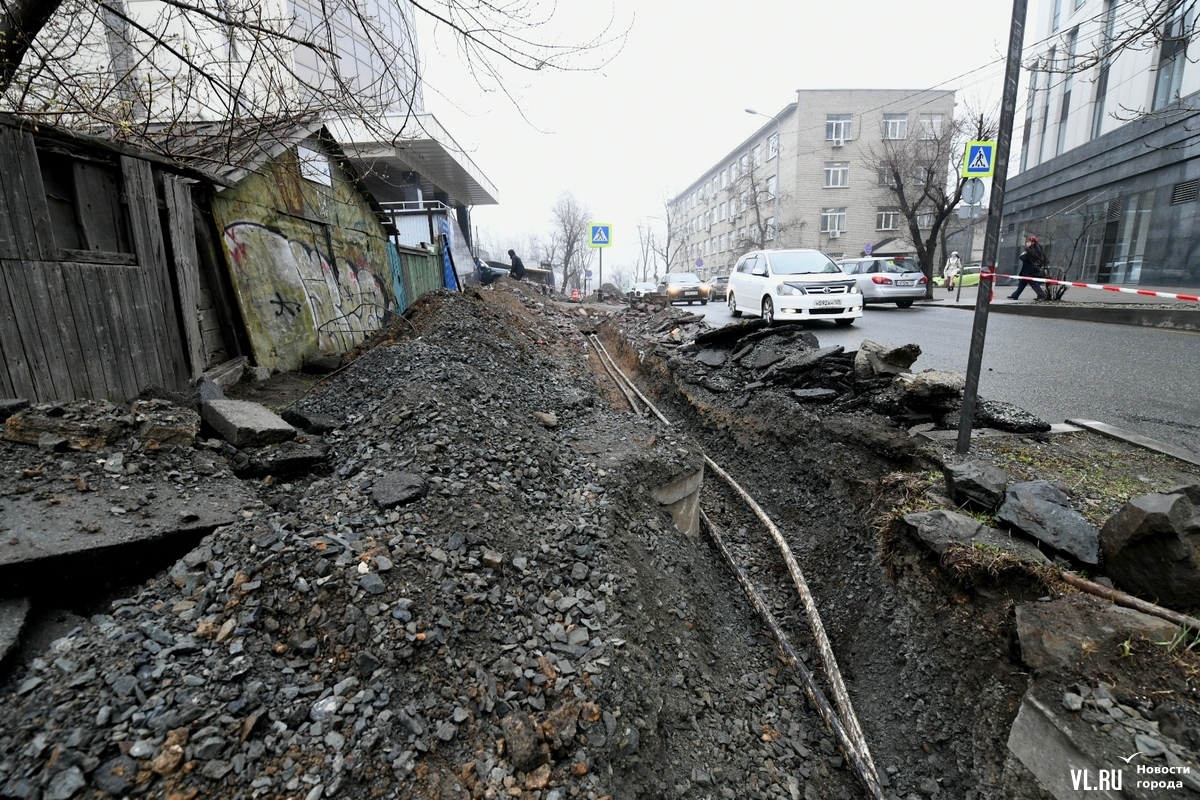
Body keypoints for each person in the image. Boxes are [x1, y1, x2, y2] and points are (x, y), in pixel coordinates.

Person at [1009, 236, 1047, 300]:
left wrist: (1022, 255)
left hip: (1030, 271)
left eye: (1028, 242)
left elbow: (1026, 259)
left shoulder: (1031, 250)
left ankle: (1041, 295)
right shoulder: (1037, 249)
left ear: (1032, 243)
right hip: (1031, 269)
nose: (1026, 243)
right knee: (1023, 282)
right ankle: (1015, 295)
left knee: (1034, 283)